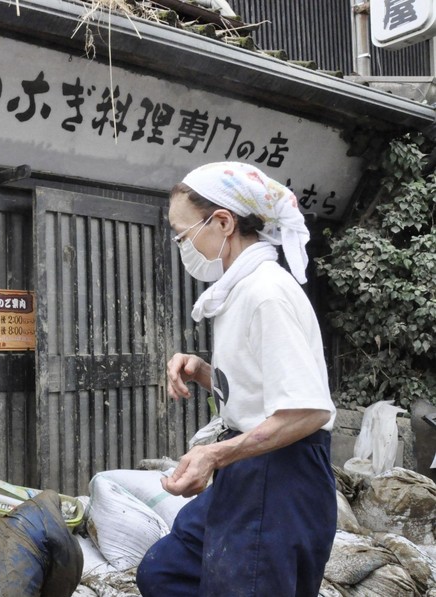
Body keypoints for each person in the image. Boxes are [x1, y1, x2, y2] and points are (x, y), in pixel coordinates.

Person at [136, 162, 337, 596]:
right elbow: (264, 389)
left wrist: (214, 456)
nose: (182, 243)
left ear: (223, 222)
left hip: (283, 476)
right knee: (163, 571)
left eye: (183, 232)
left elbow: (306, 410)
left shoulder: (267, 293)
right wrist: (204, 371)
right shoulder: (240, 289)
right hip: (249, 468)